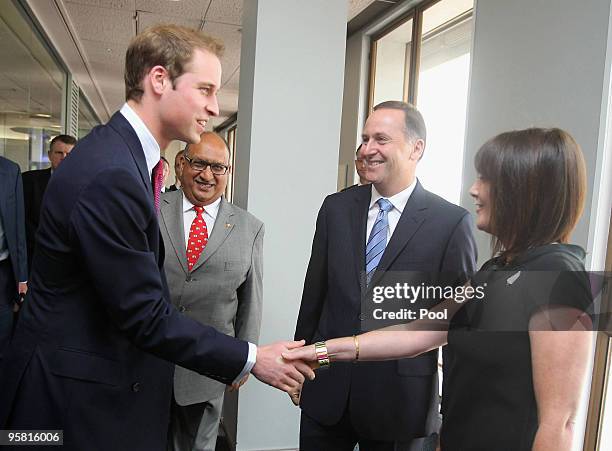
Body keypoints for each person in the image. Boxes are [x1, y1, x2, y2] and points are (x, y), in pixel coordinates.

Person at [0, 25, 312, 451]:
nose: (214, 107)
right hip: (64, 406)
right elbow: (145, 315)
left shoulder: (122, 159)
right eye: (205, 89)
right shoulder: (111, 173)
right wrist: (253, 358)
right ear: (159, 79)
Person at [286, 127, 594, 451]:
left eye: (486, 179)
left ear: (524, 191)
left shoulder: (559, 275)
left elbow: (559, 424)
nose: (474, 190)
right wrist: (321, 351)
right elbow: (418, 333)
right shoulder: (497, 270)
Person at [294, 101, 477, 450]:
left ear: (416, 148)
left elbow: (457, 326)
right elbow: (314, 296)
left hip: (401, 403)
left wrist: (452, 412)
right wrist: (302, 365)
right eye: (364, 139)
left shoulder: (451, 223)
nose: (367, 149)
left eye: (381, 139)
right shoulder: (336, 208)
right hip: (328, 392)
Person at [160, 133, 263, 451]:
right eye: (199, 163)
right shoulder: (150, 209)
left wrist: (244, 357)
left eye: (218, 167)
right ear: (181, 164)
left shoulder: (250, 227)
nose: (207, 175)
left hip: (207, 366)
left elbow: (251, 300)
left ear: (228, 172)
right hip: (146, 361)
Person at [22, 134, 76, 270]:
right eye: (59, 153)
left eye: (69, 154)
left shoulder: (87, 185)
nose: (64, 157)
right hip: (34, 257)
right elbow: (21, 220)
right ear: (49, 155)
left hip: (70, 261)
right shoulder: (28, 181)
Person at [0, 156, 27, 359]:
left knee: (4, 337)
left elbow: (18, 228)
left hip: (4, 273)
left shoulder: (10, 170)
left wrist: (22, 277)